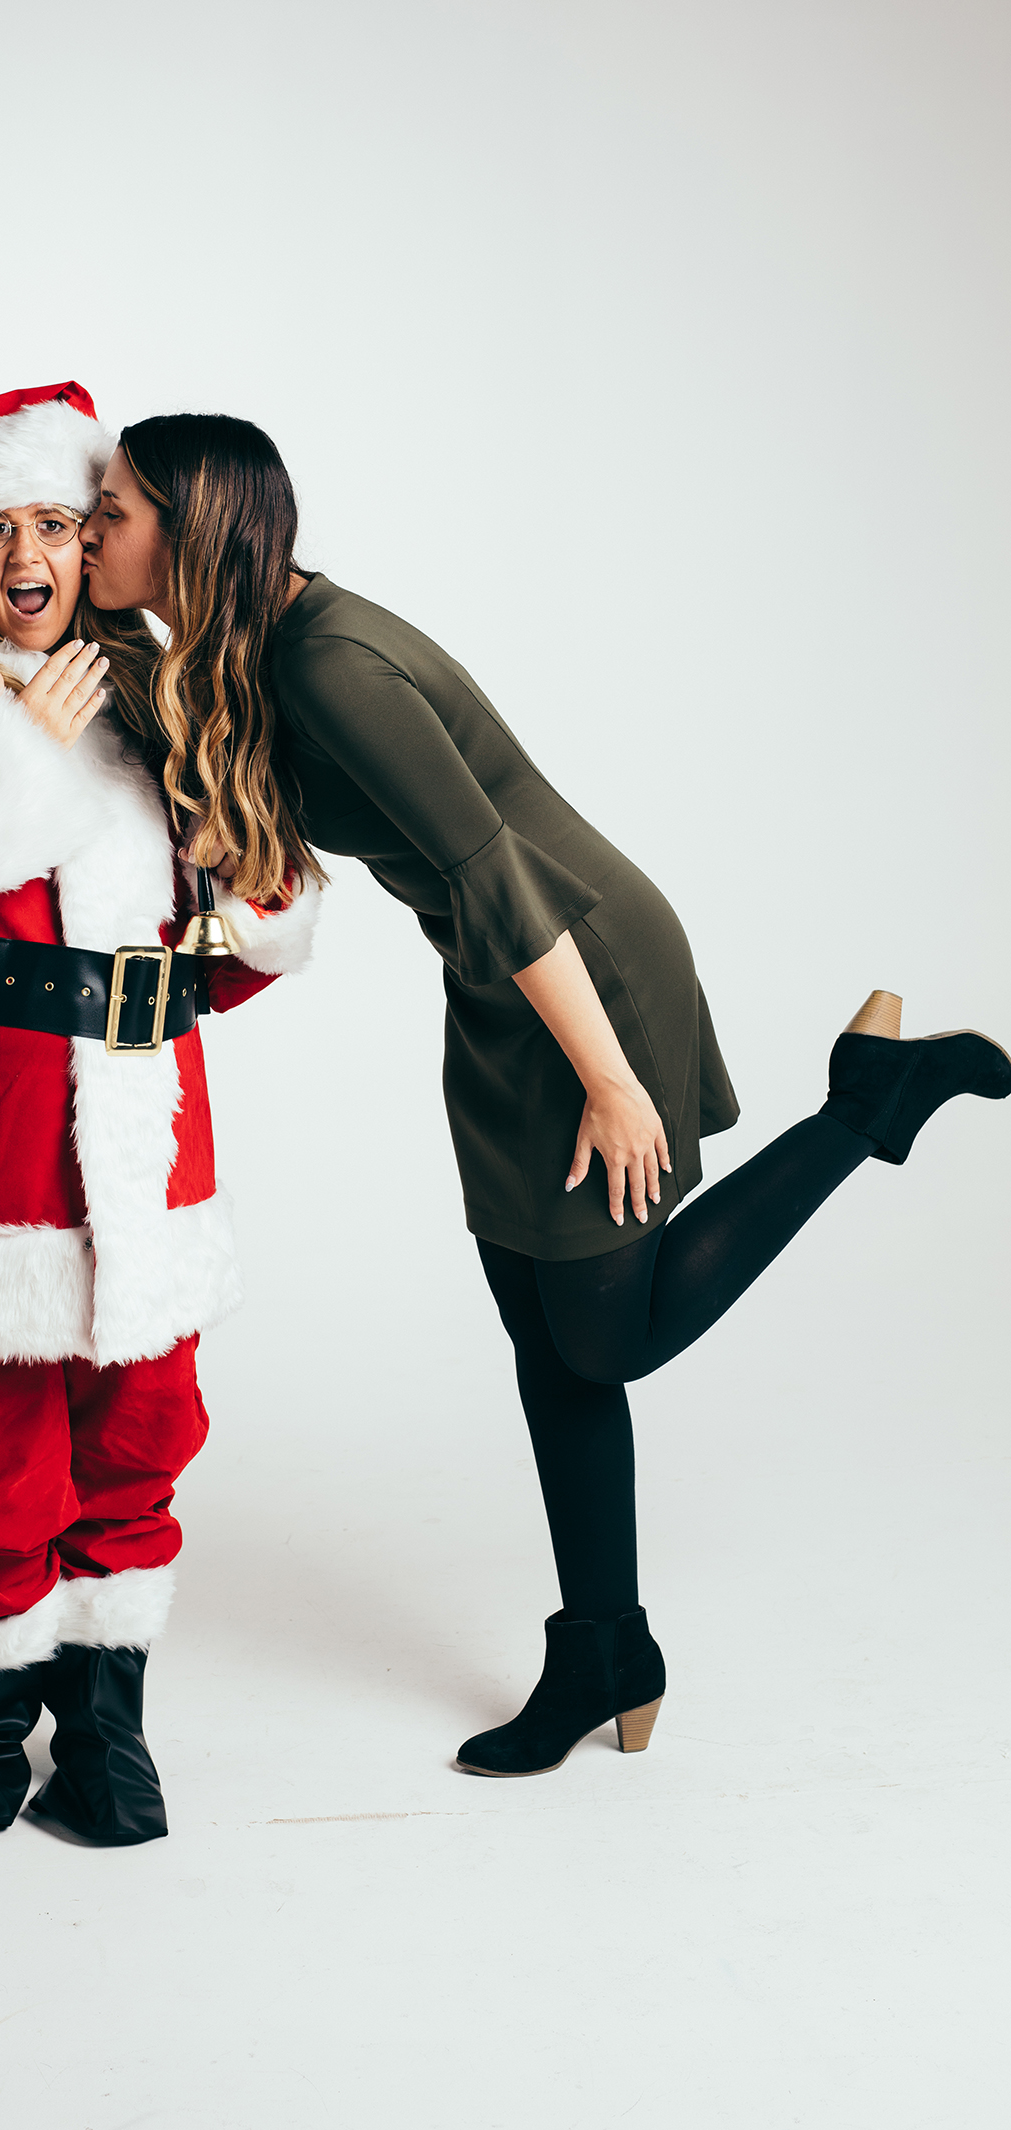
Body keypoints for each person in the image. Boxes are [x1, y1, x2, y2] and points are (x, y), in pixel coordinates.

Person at [80, 411, 1010, 1779]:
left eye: (109, 510)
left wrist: (613, 1079)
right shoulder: (248, 651)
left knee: (604, 1336)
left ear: (191, 523)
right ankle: (602, 1650)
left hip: (577, 965)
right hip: (500, 988)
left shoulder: (328, 662)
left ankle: (862, 1106)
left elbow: (491, 869)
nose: (87, 529)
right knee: (544, 1328)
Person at [0, 384, 319, 1844]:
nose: (31, 553)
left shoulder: (160, 698)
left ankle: (102, 1727)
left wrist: (243, 884)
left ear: (97, 547)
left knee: (137, 1425)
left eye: (60, 524)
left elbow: (245, 927)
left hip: (144, 1143)